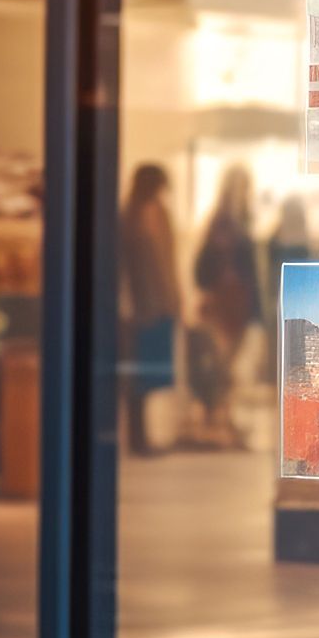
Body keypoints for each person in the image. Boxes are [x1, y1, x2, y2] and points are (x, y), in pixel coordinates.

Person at [188, 165, 262, 449]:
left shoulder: (241, 221)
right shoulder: (223, 222)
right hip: (224, 304)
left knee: (230, 364)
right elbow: (204, 266)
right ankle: (218, 421)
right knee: (221, 363)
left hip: (239, 304)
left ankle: (224, 420)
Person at [115, 163, 180, 457]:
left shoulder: (147, 215)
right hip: (143, 306)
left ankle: (141, 437)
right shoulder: (133, 218)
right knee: (138, 375)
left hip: (154, 304)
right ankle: (137, 438)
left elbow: (166, 263)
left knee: (147, 375)